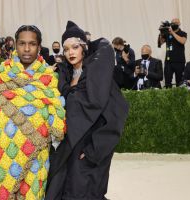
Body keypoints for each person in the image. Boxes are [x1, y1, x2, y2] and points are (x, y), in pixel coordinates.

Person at [0, 25, 66, 200]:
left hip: (34, 159)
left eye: (32, 44)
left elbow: (55, 123)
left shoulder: (48, 79)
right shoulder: (0, 76)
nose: (26, 48)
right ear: (15, 45)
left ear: (39, 46)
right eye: (22, 43)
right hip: (0, 157)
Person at [45, 21, 129, 200]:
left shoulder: (98, 76)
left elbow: (116, 115)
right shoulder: (63, 76)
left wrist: (94, 151)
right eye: (66, 49)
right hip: (65, 149)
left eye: (75, 47)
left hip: (87, 153)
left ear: (84, 47)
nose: (70, 52)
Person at [159, 18, 187, 88]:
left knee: (180, 82)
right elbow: (160, 43)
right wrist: (161, 33)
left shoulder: (183, 33)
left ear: (179, 24)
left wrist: (173, 33)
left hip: (179, 61)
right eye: (172, 23)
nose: (173, 24)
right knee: (168, 82)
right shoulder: (167, 33)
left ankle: (180, 97)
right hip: (168, 62)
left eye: (175, 23)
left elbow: (182, 41)